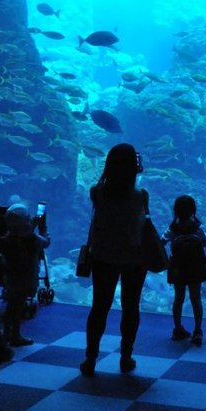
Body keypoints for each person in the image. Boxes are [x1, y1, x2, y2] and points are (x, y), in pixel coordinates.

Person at [79, 143, 149, 376]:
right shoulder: (141, 195)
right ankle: (126, 356)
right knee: (131, 307)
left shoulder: (96, 192)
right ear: (134, 166)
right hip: (133, 258)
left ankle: (90, 358)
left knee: (99, 307)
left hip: (103, 256)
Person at [0, 203, 49, 346]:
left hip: (10, 278)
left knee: (11, 306)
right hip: (26, 279)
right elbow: (46, 242)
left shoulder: (7, 239)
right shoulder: (33, 240)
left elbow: (19, 234)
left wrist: (29, 227)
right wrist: (43, 229)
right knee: (17, 307)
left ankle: (6, 334)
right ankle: (14, 335)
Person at [162, 194, 206, 345]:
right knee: (196, 299)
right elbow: (204, 243)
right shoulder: (197, 228)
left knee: (178, 298)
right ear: (193, 210)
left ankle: (178, 328)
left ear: (175, 210)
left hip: (178, 269)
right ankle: (198, 330)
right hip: (195, 268)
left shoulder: (172, 229)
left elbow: (161, 242)